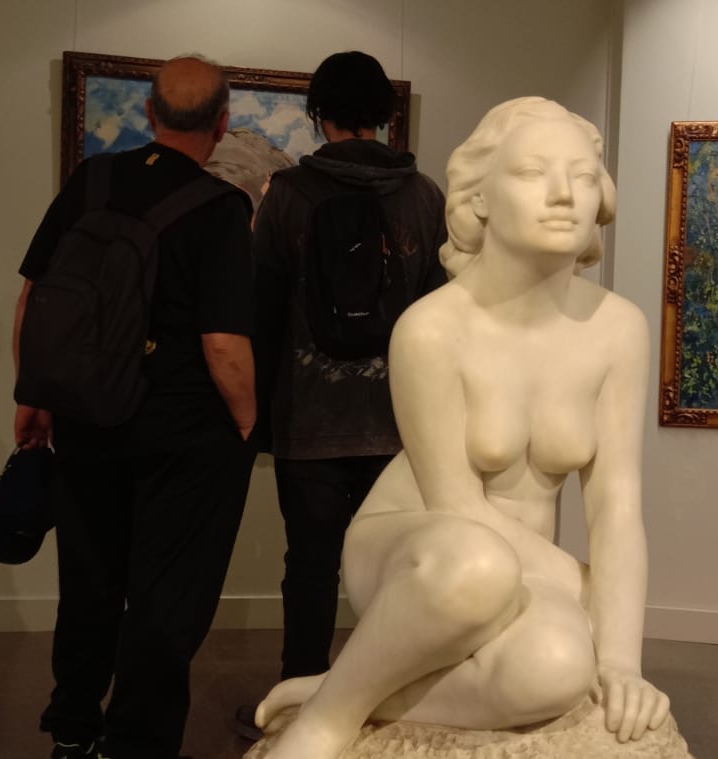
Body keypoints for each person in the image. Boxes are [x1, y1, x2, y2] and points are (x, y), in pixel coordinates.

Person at [251, 97, 672, 759]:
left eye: (584, 177)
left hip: (529, 572)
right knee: (478, 565)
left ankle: (349, 688)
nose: (564, 195)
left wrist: (620, 659)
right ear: (479, 198)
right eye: (532, 172)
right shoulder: (432, 329)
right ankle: (326, 721)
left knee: (559, 668)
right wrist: (591, 588)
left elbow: (616, 505)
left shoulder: (618, 329)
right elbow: (456, 506)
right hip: (419, 551)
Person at [14, 54, 259, 759]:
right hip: (181, 433)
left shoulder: (90, 181)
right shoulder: (220, 208)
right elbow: (222, 343)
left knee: (89, 578)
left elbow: (34, 297)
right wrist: (247, 421)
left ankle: (73, 726)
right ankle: (138, 743)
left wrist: (34, 394)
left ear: (150, 114)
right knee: (165, 595)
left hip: (86, 416)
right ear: (222, 124)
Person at [234, 50, 448, 740]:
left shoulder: (288, 195)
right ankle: (390, 702)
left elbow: (261, 308)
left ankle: (299, 703)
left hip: (309, 418)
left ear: (318, 112)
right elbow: (443, 316)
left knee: (311, 564)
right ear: (384, 114)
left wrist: (260, 415)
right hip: (401, 422)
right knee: (399, 568)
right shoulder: (424, 196)